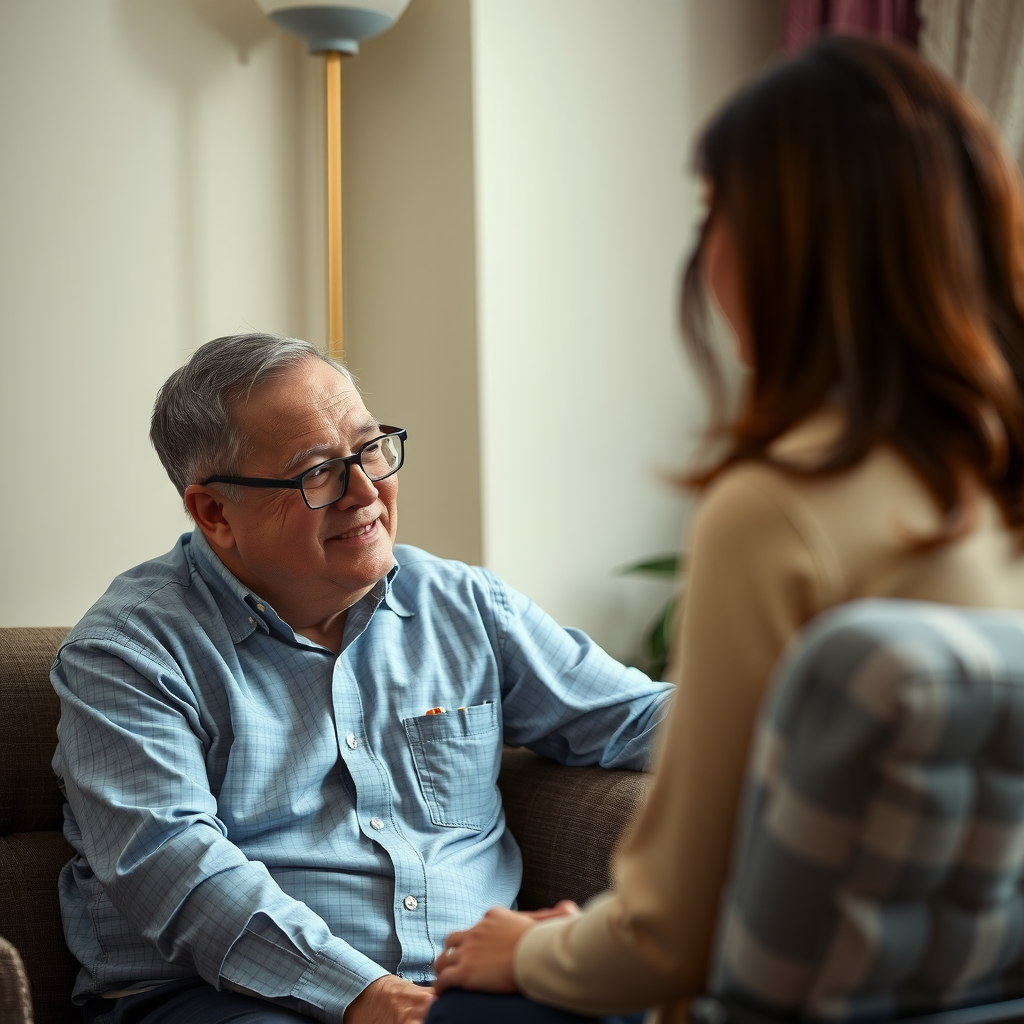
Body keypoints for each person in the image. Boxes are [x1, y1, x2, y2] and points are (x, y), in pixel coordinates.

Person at [428, 34, 1024, 1024]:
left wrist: (531, 945)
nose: (702, 252)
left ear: (795, 239)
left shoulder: (778, 506)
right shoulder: (994, 486)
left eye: (714, 210)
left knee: (466, 1006)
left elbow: (668, 935)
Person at [51, 332, 673, 1024]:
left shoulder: (462, 605)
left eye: (370, 447)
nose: (366, 490)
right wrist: (364, 996)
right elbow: (173, 867)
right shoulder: (127, 651)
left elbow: (635, 719)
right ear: (215, 513)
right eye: (318, 471)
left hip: (461, 990)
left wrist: (798, 715)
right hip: (228, 999)